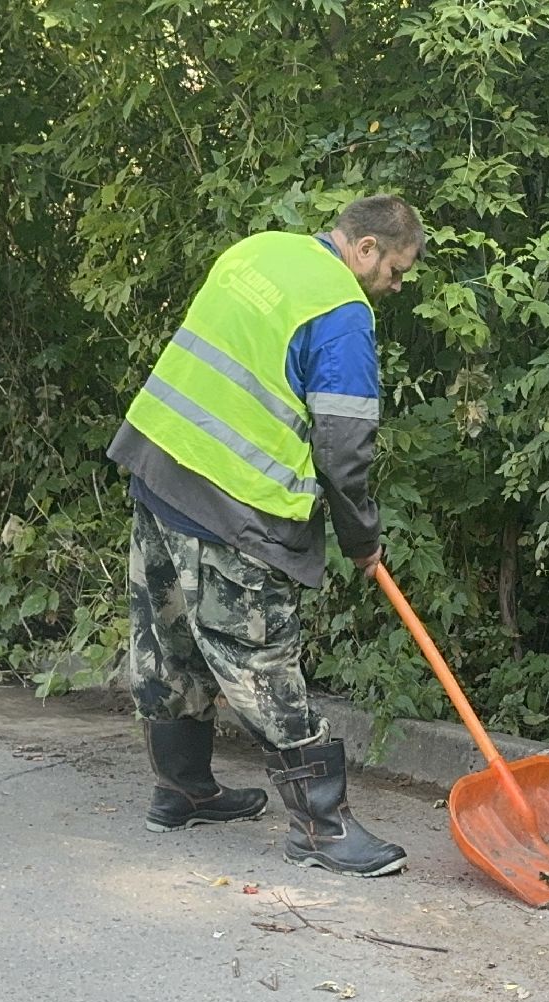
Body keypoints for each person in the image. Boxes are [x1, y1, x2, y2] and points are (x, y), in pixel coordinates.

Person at [105, 194, 423, 878]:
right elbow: (345, 446)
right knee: (260, 660)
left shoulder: (257, 251)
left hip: (159, 466)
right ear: (365, 249)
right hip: (232, 501)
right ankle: (323, 827)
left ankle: (182, 789)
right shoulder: (340, 311)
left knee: (168, 641)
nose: (395, 286)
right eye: (395, 270)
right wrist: (361, 536)